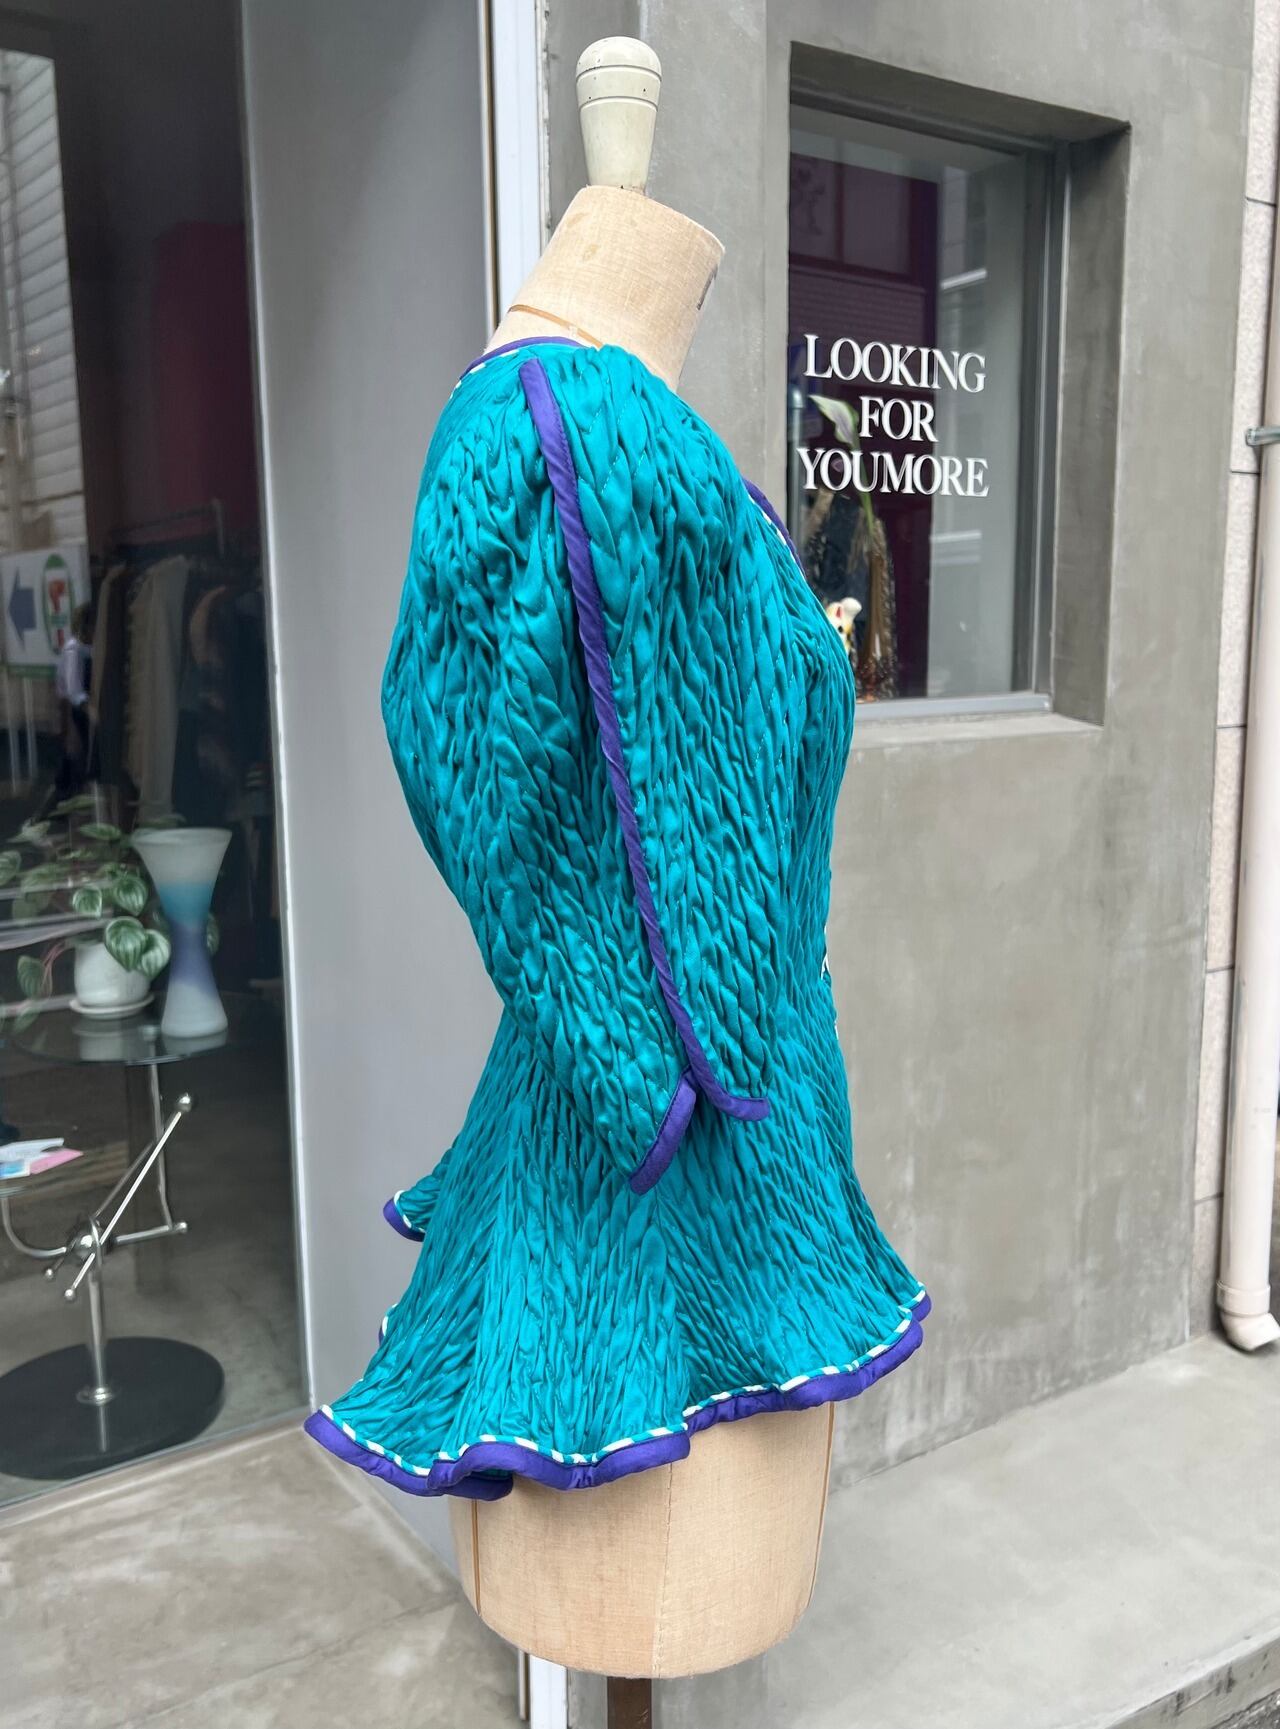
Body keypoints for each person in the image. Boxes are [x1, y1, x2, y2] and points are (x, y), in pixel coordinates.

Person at [52, 602, 93, 801]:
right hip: (74, 712)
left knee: (76, 758)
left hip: (81, 710)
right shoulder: (73, 650)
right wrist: (91, 710)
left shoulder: (87, 648)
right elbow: (74, 690)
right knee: (75, 757)